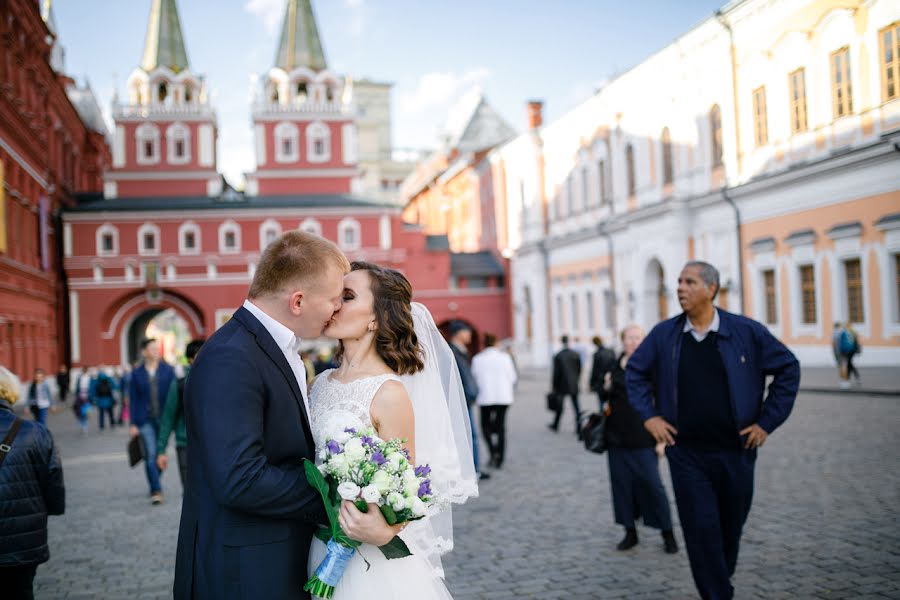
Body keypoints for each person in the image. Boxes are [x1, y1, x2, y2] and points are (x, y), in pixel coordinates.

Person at [174, 231, 352, 600]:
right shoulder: (232, 357)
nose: (338, 309)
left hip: (274, 557)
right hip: (245, 573)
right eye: (335, 299)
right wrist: (335, 494)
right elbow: (240, 477)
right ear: (298, 301)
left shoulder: (277, 347)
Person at [626, 261, 799, 600]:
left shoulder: (745, 332)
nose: (680, 288)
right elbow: (635, 373)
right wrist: (649, 417)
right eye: (678, 282)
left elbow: (788, 369)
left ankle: (719, 581)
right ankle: (717, 593)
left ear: (711, 289)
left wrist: (767, 422)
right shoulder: (664, 335)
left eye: (689, 282)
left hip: (737, 452)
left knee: (729, 528)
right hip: (687, 453)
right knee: (701, 530)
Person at [308, 261, 478, 598]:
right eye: (334, 295)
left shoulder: (388, 392)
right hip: (318, 543)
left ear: (376, 318)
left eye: (348, 296)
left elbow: (406, 483)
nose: (335, 304)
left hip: (368, 561)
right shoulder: (320, 383)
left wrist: (386, 529)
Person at [603, 325, 678, 554]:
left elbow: (664, 402)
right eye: (629, 338)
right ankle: (630, 532)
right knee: (622, 488)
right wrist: (604, 386)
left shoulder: (652, 367)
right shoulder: (613, 367)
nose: (633, 342)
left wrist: (662, 440)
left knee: (653, 487)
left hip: (645, 439)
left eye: (638, 338)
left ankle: (668, 534)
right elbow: (605, 398)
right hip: (616, 439)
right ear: (622, 341)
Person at [0, 365, 65, 600]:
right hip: (25, 536)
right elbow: (53, 480)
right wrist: (55, 508)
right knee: (22, 590)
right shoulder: (35, 432)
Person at [128, 339, 176, 505]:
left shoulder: (168, 371)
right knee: (150, 454)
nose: (156, 351)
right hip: (145, 420)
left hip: (164, 420)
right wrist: (133, 423)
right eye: (152, 348)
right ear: (144, 352)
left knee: (160, 454)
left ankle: (154, 482)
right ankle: (156, 489)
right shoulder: (136, 373)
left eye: (157, 348)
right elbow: (133, 399)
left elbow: (173, 397)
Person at [157, 339, 205, 489]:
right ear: (191, 359)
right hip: (186, 445)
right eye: (200, 354)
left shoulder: (220, 381)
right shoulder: (179, 385)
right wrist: (161, 451)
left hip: (214, 445)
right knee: (190, 492)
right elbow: (168, 418)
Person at [448, 320, 489, 480]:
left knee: (470, 435)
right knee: (467, 435)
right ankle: (471, 470)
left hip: (465, 399)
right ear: (458, 333)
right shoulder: (453, 352)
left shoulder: (460, 351)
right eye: (466, 331)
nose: (469, 334)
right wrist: (470, 393)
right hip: (462, 400)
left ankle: (474, 469)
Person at [471, 333, 517, 469]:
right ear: (496, 343)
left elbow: (474, 377)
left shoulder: (477, 359)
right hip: (503, 397)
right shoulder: (505, 358)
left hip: (485, 397)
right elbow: (513, 378)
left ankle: (492, 452)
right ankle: (500, 457)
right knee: (501, 427)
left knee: (485, 426)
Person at [549, 335, 582, 434]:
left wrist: (554, 386)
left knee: (559, 406)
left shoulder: (558, 356)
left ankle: (555, 424)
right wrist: (576, 379)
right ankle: (579, 427)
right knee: (576, 407)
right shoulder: (575, 354)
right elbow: (579, 369)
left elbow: (556, 373)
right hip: (573, 384)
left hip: (562, 385)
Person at [588, 335, 616, 408]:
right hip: (611, 379)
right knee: (610, 401)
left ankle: (603, 417)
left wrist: (591, 383)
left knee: (601, 402)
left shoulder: (596, 354)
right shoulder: (611, 351)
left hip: (600, 381)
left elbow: (594, 370)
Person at [843, 322, 861, 387]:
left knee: (849, 364)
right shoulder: (853, 332)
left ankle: (849, 378)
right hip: (852, 350)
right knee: (849, 364)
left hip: (850, 350)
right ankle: (853, 378)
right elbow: (856, 342)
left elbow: (852, 342)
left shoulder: (848, 333)